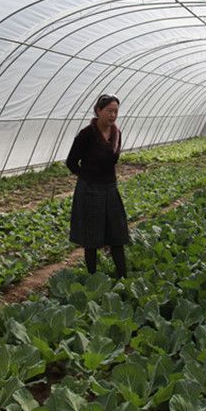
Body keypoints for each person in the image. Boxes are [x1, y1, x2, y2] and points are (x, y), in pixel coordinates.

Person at [66, 94, 129, 278]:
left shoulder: (116, 134)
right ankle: (93, 278)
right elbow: (71, 162)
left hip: (110, 188)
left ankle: (123, 276)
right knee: (91, 237)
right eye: (109, 111)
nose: (113, 115)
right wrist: (87, 177)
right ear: (98, 111)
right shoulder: (86, 135)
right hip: (90, 191)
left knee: (117, 234)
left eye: (116, 111)